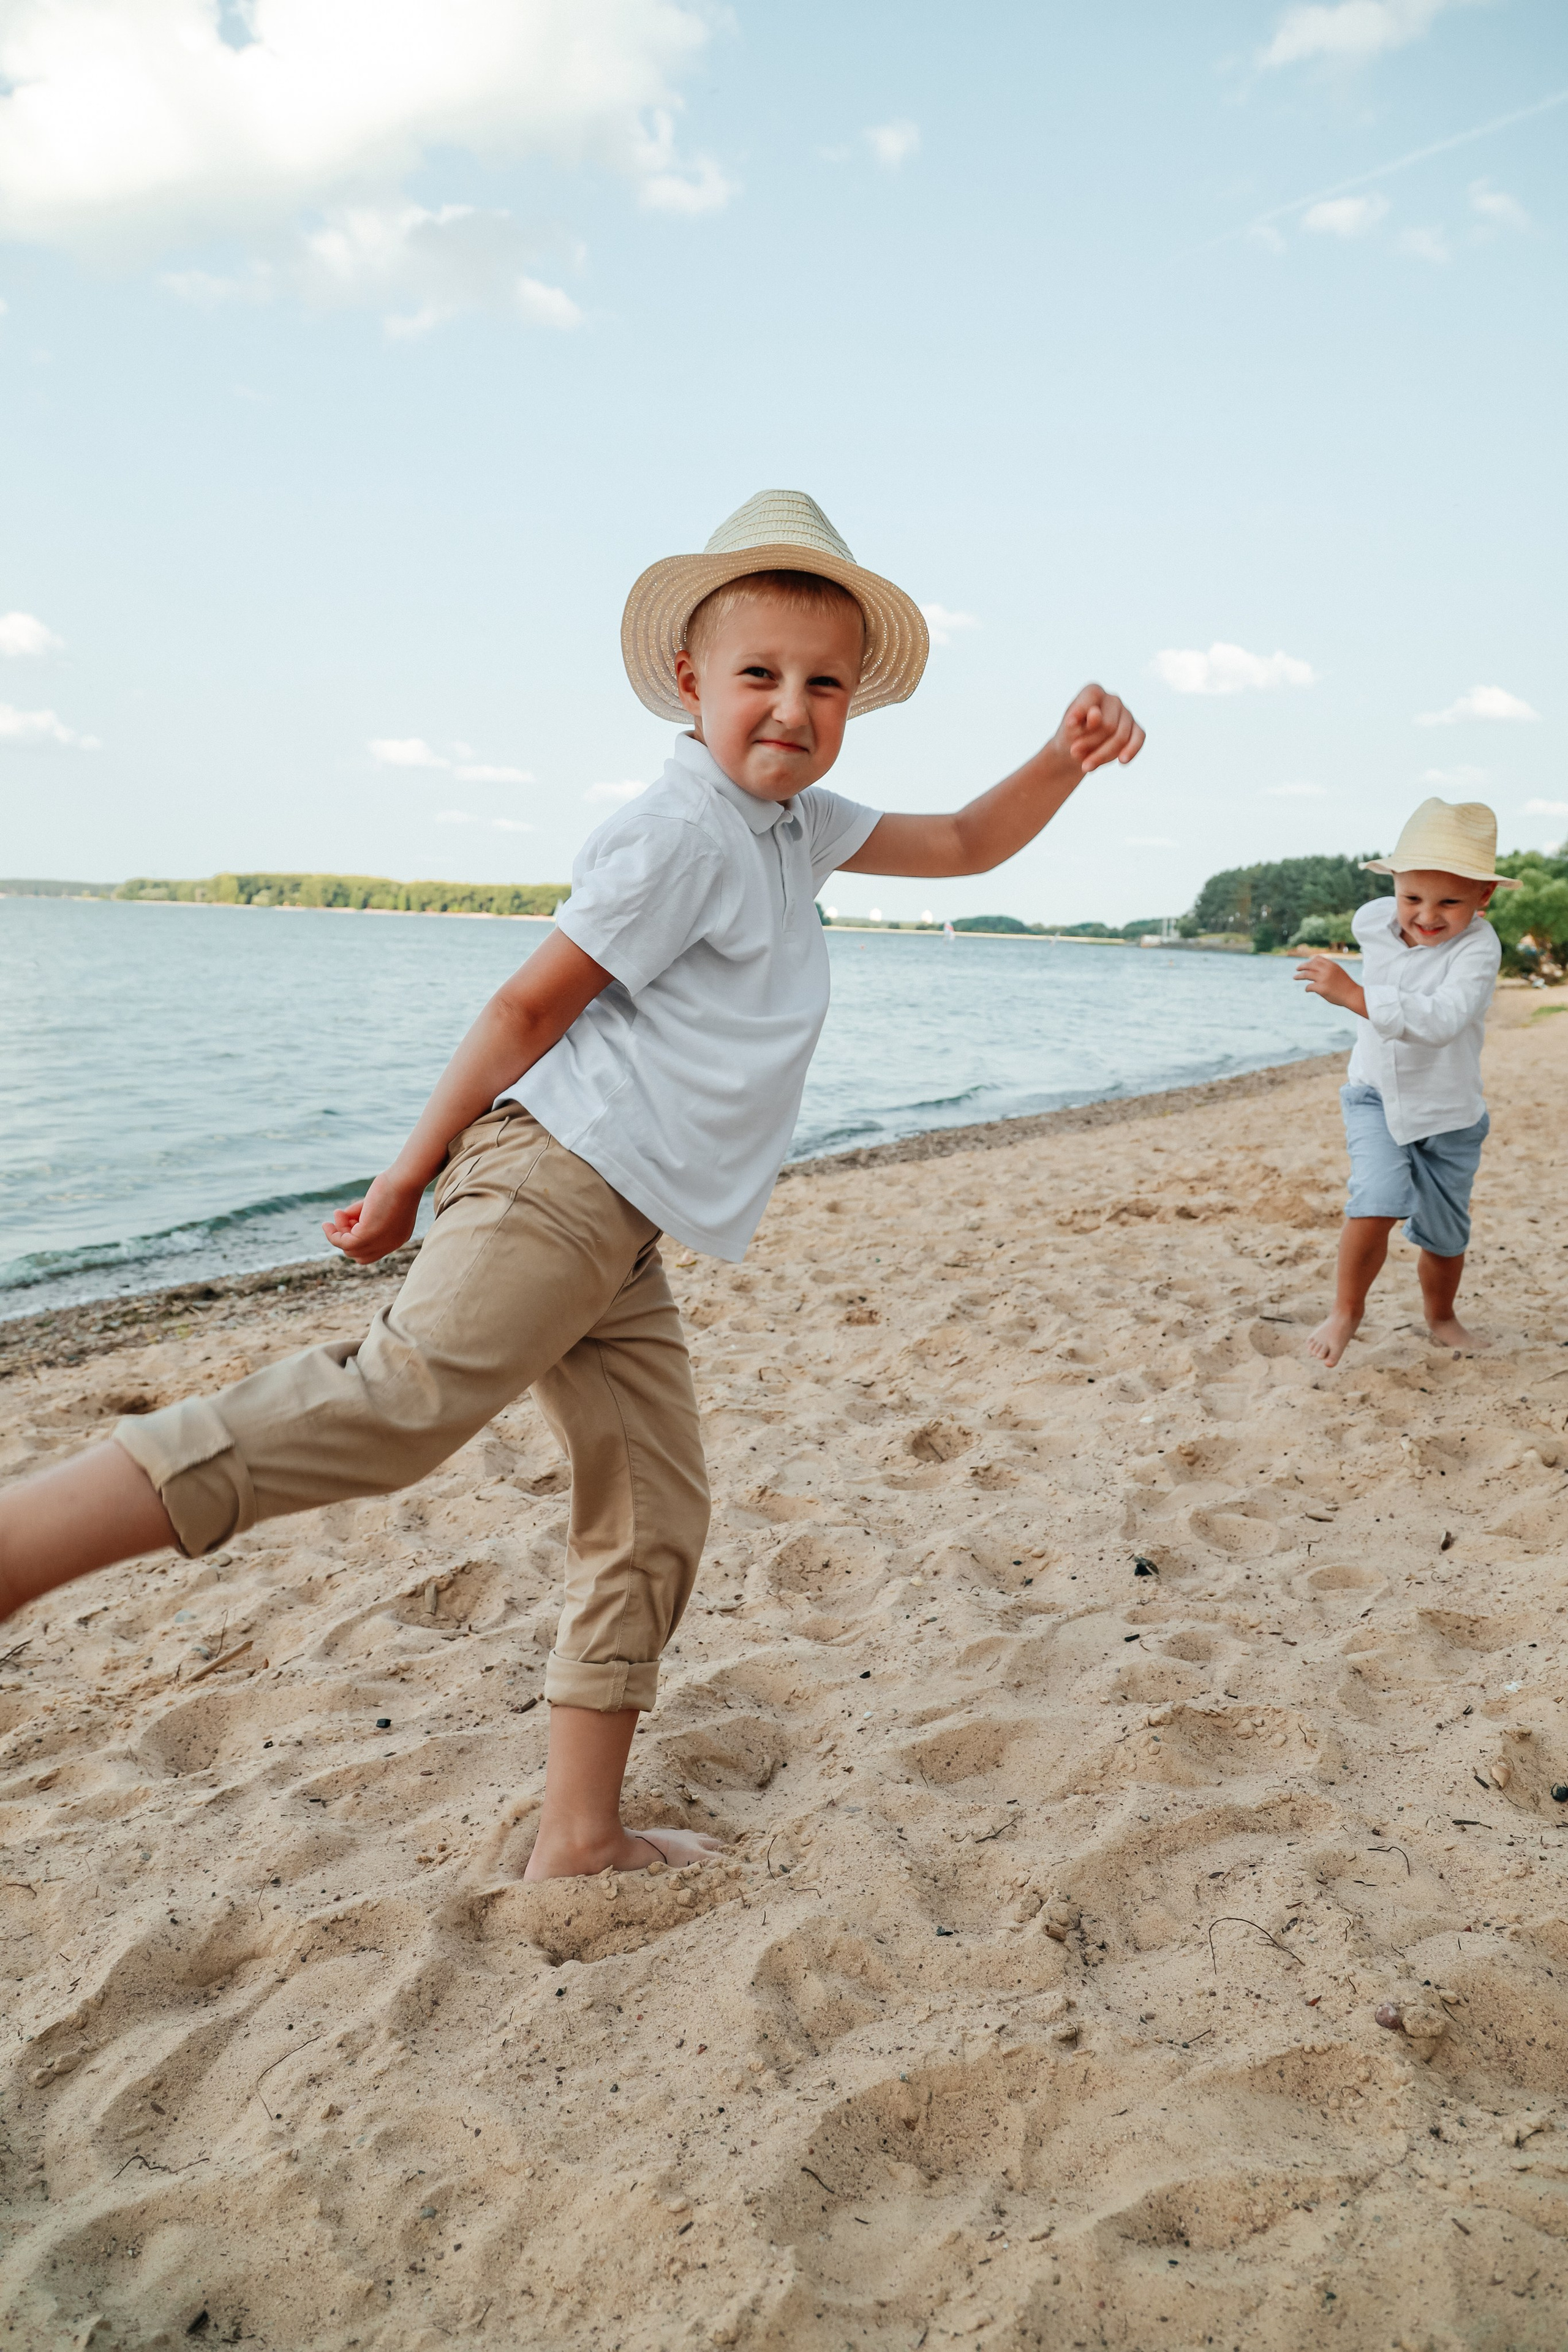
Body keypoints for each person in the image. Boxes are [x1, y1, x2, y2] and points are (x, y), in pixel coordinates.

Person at [0, 489, 1144, 1877]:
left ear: (849, 699)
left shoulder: (790, 826)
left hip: (621, 1224)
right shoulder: (681, 829)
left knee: (655, 1509)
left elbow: (963, 843)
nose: (789, 707)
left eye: (821, 683)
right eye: (757, 677)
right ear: (690, 682)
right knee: (398, 1404)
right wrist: (407, 1174)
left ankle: (576, 1834)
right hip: (554, 1179)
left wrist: (1062, 758)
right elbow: (528, 1005)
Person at [1296, 796, 1518, 1368]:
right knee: (1377, 1200)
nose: (1426, 915)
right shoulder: (1374, 921)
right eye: (1412, 896)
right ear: (1393, 883)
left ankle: (1441, 1316)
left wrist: (1355, 996)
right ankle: (1347, 1309)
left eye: (1450, 901)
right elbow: (1388, 931)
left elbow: (1442, 1021)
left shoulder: (1478, 948)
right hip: (1374, 1095)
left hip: (1449, 1112)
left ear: (1484, 897)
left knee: (1445, 1236)